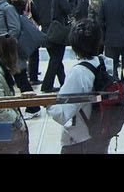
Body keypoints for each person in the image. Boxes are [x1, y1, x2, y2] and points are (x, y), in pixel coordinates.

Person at [47, 18, 110, 154]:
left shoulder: (79, 73)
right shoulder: (104, 63)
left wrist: (47, 103)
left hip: (79, 140)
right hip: (101, 133)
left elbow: (62, 114)